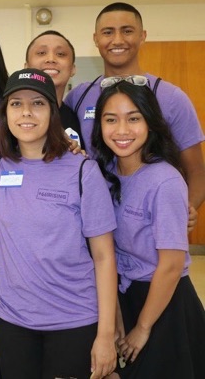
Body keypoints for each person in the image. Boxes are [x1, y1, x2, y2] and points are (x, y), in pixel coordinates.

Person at [0, 68, 118, 379]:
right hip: (13, 321)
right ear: (6, 112)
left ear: (53, 111)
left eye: (38, 103)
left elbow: (104, 258)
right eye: (16, 104)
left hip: (73, 321)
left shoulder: (82, 170)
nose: (26, 113)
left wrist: (105, 335)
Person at [92, 81, 205, 378]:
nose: (122, 130)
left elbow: (171, 264)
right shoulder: (103, 174)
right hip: (124, 295)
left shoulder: (164, 181)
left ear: (151, 124)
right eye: (110, 119)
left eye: (133, 118)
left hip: (164, 304)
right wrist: (115, 311)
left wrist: (143, 328)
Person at [64, 2, 205, 220]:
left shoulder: (171, 98)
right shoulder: (78, 97)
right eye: (108, 32)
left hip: (147, 228)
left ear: (142, 36)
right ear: (96, 39)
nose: (118, 40)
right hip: (93, 226)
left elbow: (196, 170)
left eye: (127, 31)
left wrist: (187, 208)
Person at [25, 30, 85, 148]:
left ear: (73, 69)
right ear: (26, 67)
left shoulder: (78, 121)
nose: (51, 59)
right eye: (41, 53)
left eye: (61, 54)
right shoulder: (5, 119)